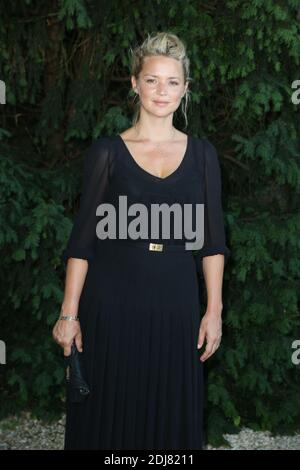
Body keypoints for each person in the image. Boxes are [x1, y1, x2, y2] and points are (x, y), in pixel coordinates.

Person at [52, 31, 230, 450]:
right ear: (135, 84)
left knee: (169, 415)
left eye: (172, 82)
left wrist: (215, 310)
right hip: (111, 304)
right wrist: (69, 313)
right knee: (108, 414)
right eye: (152, 80)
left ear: (185, 88)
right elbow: (83, 242)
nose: (161, 91)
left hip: (176, 305)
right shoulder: (107, 153)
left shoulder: (203, 155)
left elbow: (212, 242)